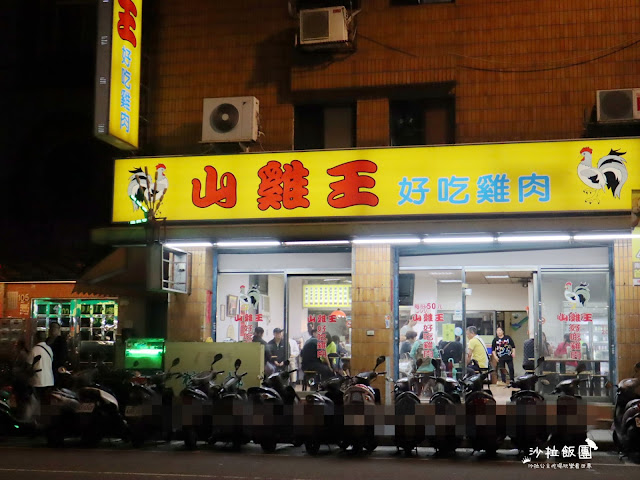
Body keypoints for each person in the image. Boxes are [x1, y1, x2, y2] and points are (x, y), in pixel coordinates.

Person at [410, 332, 441, 397]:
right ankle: (427, 390)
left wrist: (417, 359)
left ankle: (418, 393)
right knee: (430, 378)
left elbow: (411, 354)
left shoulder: (417, 343)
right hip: (430, 369)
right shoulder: (431, 343)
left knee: (416, 379)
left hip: (419, 368)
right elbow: (436, 355)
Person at [28, 331, 54, 399]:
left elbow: (29, 364)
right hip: (49, 380)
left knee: (38, 399)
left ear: (36, 338)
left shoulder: (34, 350)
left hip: (38, 380)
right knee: (46, 401)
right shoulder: (49, 349)